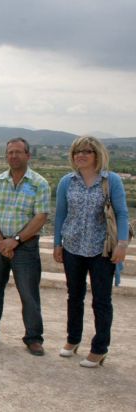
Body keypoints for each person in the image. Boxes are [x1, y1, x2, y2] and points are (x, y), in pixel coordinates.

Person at [53, 136, 129, 367]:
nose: (81, 155)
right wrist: (57, 243)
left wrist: (122, 244)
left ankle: (99, 348)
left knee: (101, 300)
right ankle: (73, 339)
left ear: (97, 154)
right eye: (77, 152)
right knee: (74, 297)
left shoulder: (111, 181)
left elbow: (122, 213)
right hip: (73, 247)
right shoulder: (67, 182)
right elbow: (60, 214)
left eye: (87, 151)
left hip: (101, 249)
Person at [0, 137, 50, 356]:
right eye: (10, 152)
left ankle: (33, 338)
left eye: (18, 152)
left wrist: (15, 240)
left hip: (25, 246)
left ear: (28, 155)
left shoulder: (39, 183)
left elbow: (40, 217)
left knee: (28, 293)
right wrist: (0, 241)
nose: (13, 156)